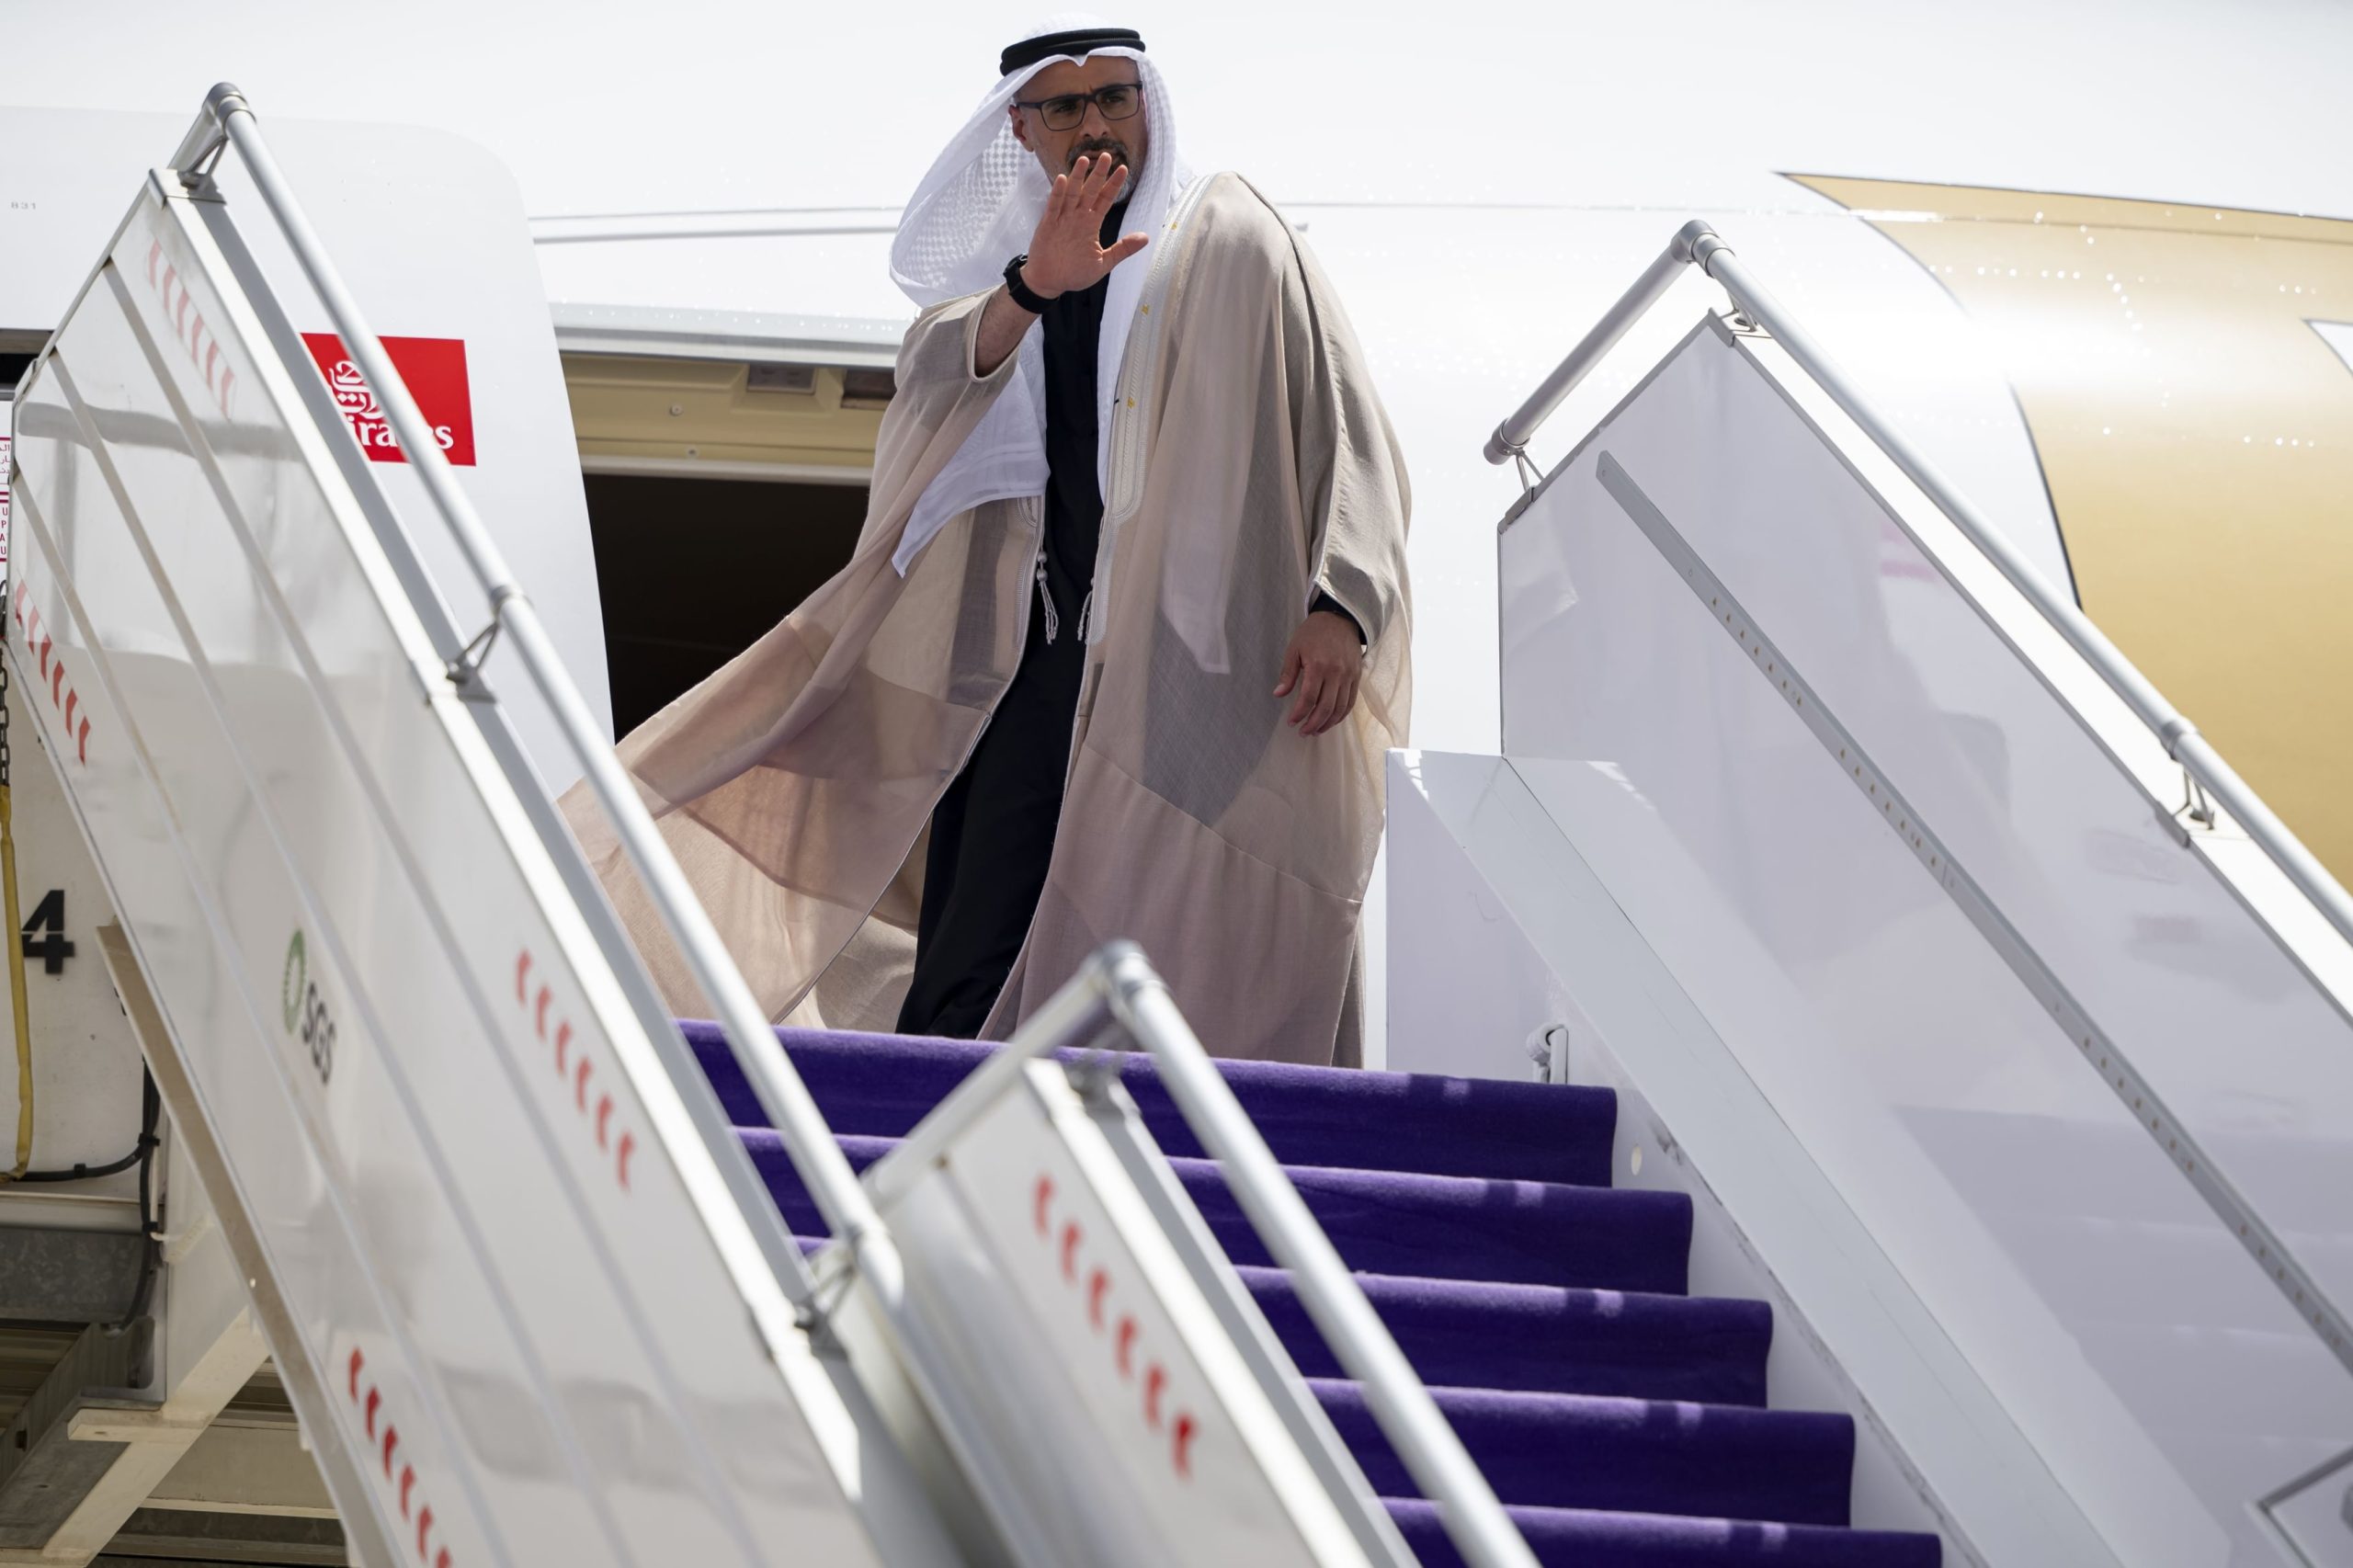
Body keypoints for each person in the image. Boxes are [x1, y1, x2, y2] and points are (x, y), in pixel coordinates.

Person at [564, 16, 1411, 1064]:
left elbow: (1344, 424)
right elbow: (935, 380)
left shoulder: (1231, 236)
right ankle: (933, 1131)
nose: (1096, 125)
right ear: (1021, 127)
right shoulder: (993, 290)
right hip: (1034, 660)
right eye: (1066, 106)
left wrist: (1342, 603)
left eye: (1115, 98)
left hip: (1192, 669)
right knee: (981, 933)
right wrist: (1035, 286)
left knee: (1186, 931)